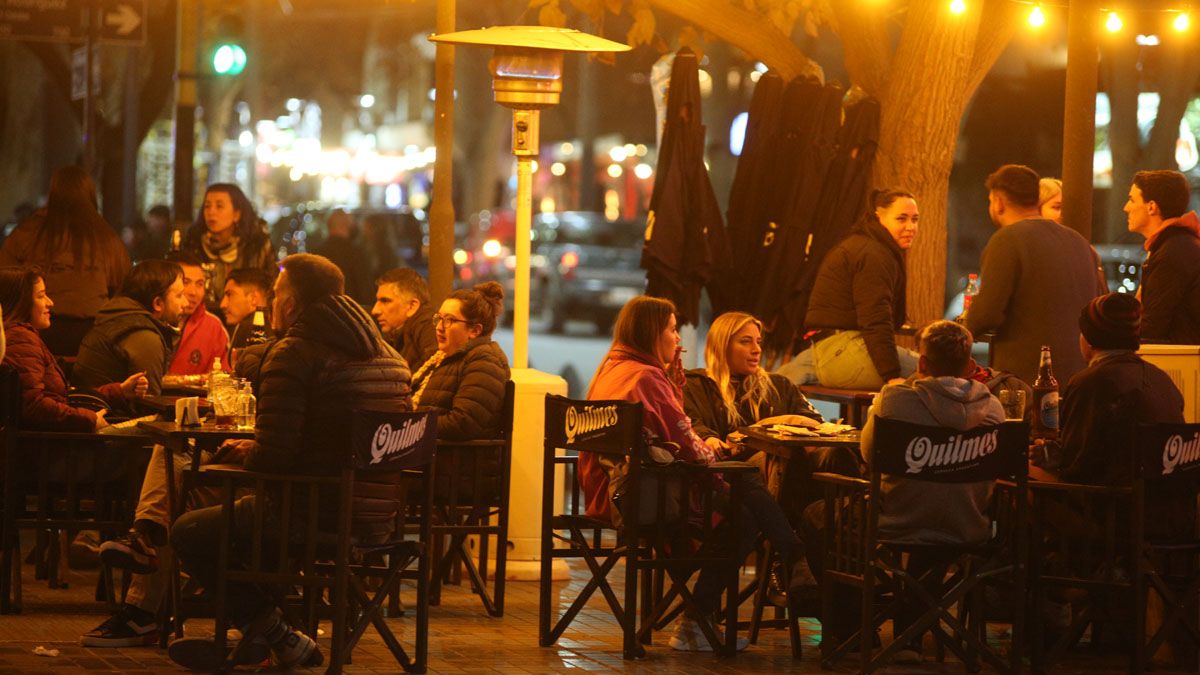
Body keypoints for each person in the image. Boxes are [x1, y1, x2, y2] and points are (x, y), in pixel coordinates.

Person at [165, 254, 412, 669]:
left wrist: (249, 453)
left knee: (190, 530)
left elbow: (275, 457)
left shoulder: (294, 354)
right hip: (378, 515)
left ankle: (274, 631)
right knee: (249, 517)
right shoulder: (392, 359)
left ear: (293, 304)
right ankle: (266, 641)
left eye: (276, 296)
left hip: (312, 512)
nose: (271, 305)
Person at [580, 295, 802, 652]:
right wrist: (717, 455)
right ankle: (787, 560)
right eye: (671, 329)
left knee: (743, 493)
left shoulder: (613, 368)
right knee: (744, 505)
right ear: (652, 332)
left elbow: (671, 435)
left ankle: (706, 613)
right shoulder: (646, 378)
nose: (679, 339)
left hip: (609, 489)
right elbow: (690, 447)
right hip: (641, 497)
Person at [803, 320, 1003, 663]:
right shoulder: (994, 409)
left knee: (816, 516)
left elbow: (868, 455)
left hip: (896, 521)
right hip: (969, 526)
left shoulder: (894, 402)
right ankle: (911, 629)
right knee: (936, 523)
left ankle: (852, 628)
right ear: (970, 366)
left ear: (922, 363)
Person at [966, 164, 1105, 385]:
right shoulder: (1079, 242)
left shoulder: (1007, 240)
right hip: (1079, 375)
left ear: (998, 202)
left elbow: (988, 313)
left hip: (1026, 378)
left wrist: (964, 328)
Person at [0, 165, 130, 356]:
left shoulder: (28, 232)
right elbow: (123, 288)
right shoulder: (107, 237)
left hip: (37, 333)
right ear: (91, 194)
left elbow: (6, 279)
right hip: (92, 335)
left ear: (52, 193)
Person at [0, 267, 147, 433]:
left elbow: (62, 396)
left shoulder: (21, 336)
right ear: (21, 302)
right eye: (41, 296)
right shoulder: (20, 338)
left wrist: (119, 391)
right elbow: (33, 406)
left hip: (52, 442)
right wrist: (90, 419)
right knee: (149, 436)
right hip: (49, 447)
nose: (50, 303)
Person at [802, 188, 920, 390]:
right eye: (901, 219)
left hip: (835, 350)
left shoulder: (873, 247)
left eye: (915, 219)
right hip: (842, 352)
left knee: (932, 371)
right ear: (878, 218)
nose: (911, 227)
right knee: (937, 374)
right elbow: (875, 317)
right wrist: (891, 375)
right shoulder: (873, 254)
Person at [408, 281, 509, 441]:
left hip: (454, 460)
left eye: (450, 320)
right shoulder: (441, 357)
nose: (439, 327)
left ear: (475, 330)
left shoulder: (485, 360)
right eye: (439, 318)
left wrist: (407, 429)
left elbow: (463, 423)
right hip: (427, 452)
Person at [71, 260, 186, 397]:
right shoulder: (145, 337)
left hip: (87, 409)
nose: (185, 303)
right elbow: (148, 404)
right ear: (157, 303)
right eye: (179, 295)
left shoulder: (115, 316)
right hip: (111, 416)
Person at [1124, 169, 1200, 345]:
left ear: (1151, 207)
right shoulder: (1178, 245)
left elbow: (1152, 327)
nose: (1126, 208)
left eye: (1132, 199)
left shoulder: (1172, 253)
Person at [181, 183, 275, 312]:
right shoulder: (194, 244)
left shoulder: (256, 246)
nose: (211, 212)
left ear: (237, 214)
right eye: (207, 206)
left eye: (219, 206)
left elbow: (270, 289)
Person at [165, 251, 229, 376]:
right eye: (186, 282)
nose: (193, 292)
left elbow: (222, 378)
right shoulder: (150, 320)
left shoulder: (213, 327)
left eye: (199, 284)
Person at [372, 267, 437, 371]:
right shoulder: (396, 336)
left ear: (412, 306)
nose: (375, 310)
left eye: (385, 301)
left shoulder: (429, 328)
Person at [315, 209, 373, 305]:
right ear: (347, 225)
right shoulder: (356, 253)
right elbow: (364, 287)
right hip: (350, 310)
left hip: (323, 311)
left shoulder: (317, 253)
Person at [219, 267, 275, 361]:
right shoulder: (277, 325)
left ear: (253, 298)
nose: (222, 304)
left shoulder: (248, 326)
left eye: (230, 294)